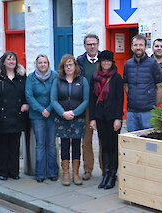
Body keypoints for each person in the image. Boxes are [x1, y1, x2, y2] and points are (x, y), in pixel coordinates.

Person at [0, 51, 29, 181]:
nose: (11, 62)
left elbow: (28, 93)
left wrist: (26, 104)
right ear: (3, 62)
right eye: (9, 59)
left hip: (17, 116)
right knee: (2, 146)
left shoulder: (21, 76)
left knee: (14, 146)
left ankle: (14, 171)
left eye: (13, 59)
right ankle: (2, 171)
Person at [51, 54, 89, 186]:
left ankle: (76, 174)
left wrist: (74, 112)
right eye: (66, 65)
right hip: (62, 119)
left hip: (78, 118)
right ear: (62, 67)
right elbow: (53, 100)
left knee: (77, 146)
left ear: (75, 66)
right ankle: (66, 174)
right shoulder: (57, 81)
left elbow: (86, 100)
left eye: (71, 64)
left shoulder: (82, 80)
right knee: (65, 145)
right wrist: (63, 113)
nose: (68, 67)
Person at [89, 50, 123, 189]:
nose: (106, 63)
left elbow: (120, 99)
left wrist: (118, 118)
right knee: (104, 146)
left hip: (112, 117)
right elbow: (92, 99)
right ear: (100, 62)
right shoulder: (95, 77)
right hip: (100, 117)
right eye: (104, 61)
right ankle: (106, 174)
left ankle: (112, 175)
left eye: (108, 61)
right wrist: (92, 118)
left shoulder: (117, 78)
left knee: (113, 147)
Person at [25, 54, 59, 183]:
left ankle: (53, 172)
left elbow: (56, 94)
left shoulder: (55, 76)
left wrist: (49, 109)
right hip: (37, 116)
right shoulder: (31, 78)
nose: (42, 65)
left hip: (52, 115)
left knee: (51, 144)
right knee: (40, 144)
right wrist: (41, 110)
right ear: (36, 64)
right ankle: (40, 173)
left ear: (48, 64)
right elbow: (29, 96)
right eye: (40, 63)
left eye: (45, 62)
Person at [123, 34, 162, 132]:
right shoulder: (128, 64)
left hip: (148, 113)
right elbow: (126, 85)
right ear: (132, 47)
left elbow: (161, 87)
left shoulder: (153, 64)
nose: (138, 48)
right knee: (132, 142)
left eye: (141, 45)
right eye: (135, 45)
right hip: (132, 112)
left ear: (145, 47)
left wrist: (153, 105)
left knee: (148, 144)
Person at [77, 34, 102, 180]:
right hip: (86, 104)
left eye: (94, 44)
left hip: (102, 104)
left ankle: (105, 168)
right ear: (85, 46)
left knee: (104, 139)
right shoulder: (79, 61)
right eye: (89, 44)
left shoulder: (105, 60)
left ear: (98, 44)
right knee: (86, 139)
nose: (92, 47)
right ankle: (88, 169)